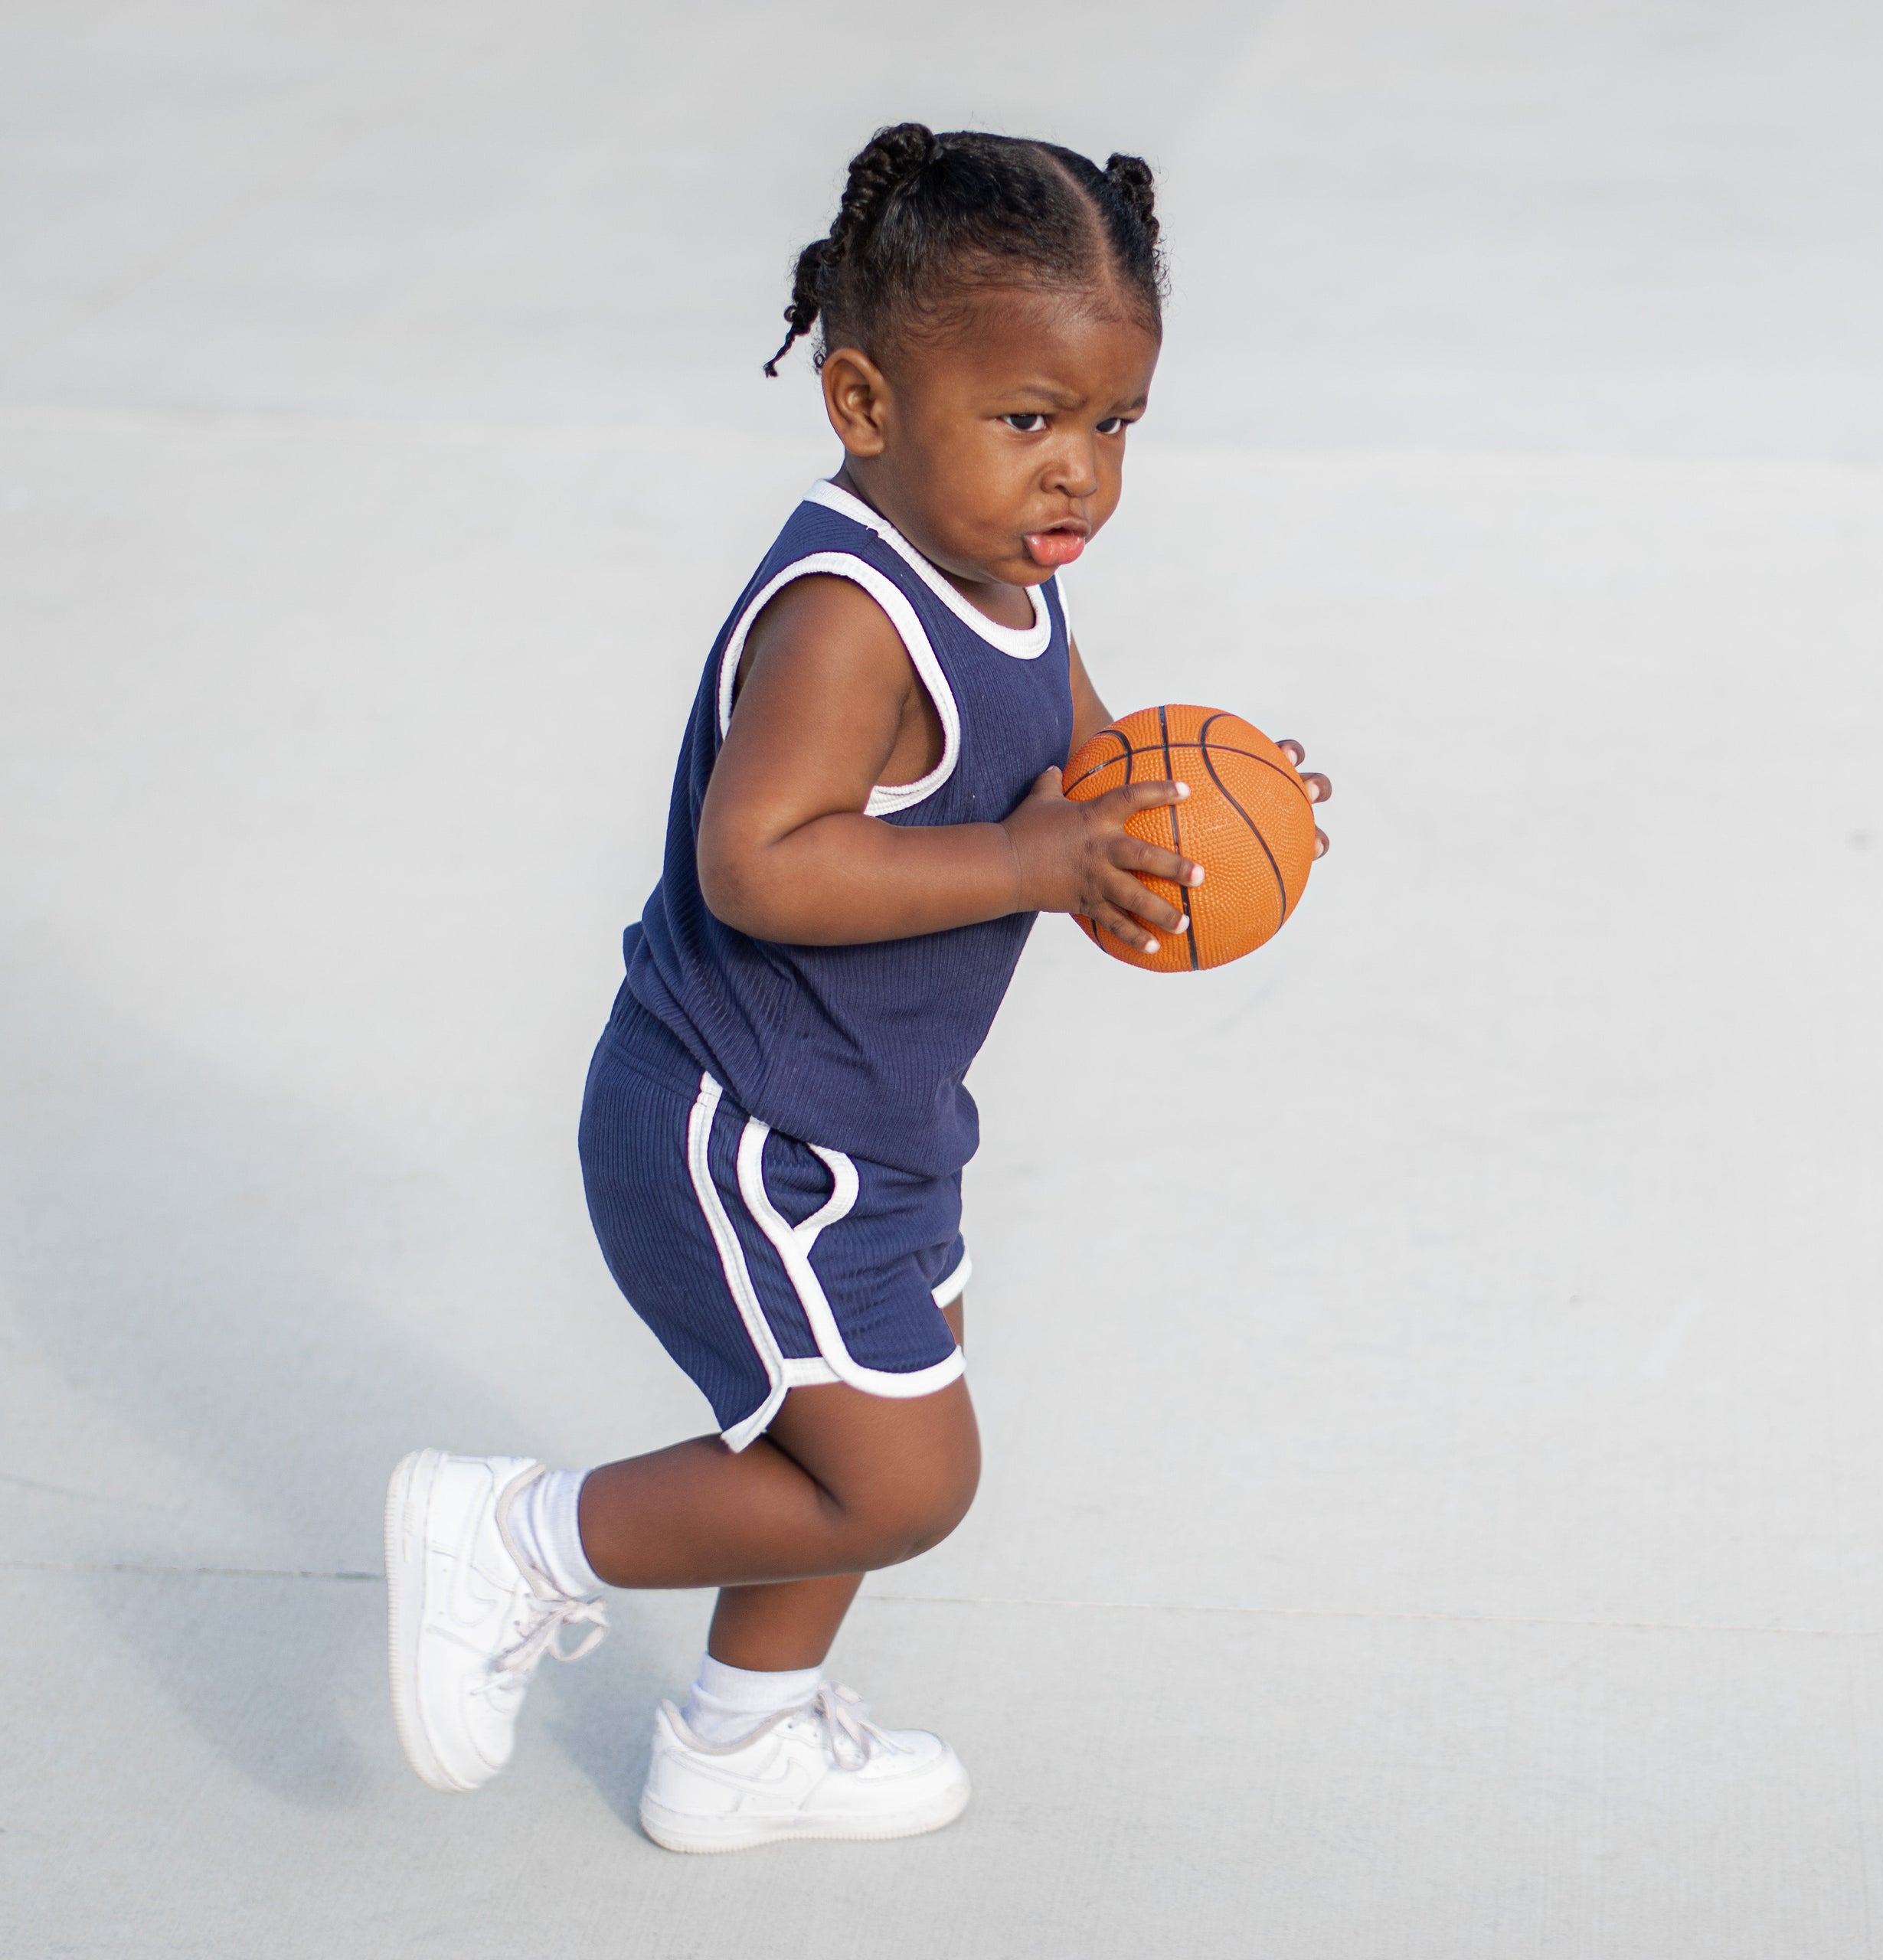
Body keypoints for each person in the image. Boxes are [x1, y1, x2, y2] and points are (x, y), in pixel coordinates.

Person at [379, 122, 1332, 1854]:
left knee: (875, 1425)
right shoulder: (851, 617)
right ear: (866, 406)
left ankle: (738, 1743)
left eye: (1114, 425)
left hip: (876, 1122)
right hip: (741, 1122)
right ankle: (517, 1535)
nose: (1079, 479)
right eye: (1029, 420)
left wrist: (1225, 809)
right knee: (900, 1475)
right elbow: (765, 860)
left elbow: (1086, 775)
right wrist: (1037, 865)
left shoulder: (1014, 583)